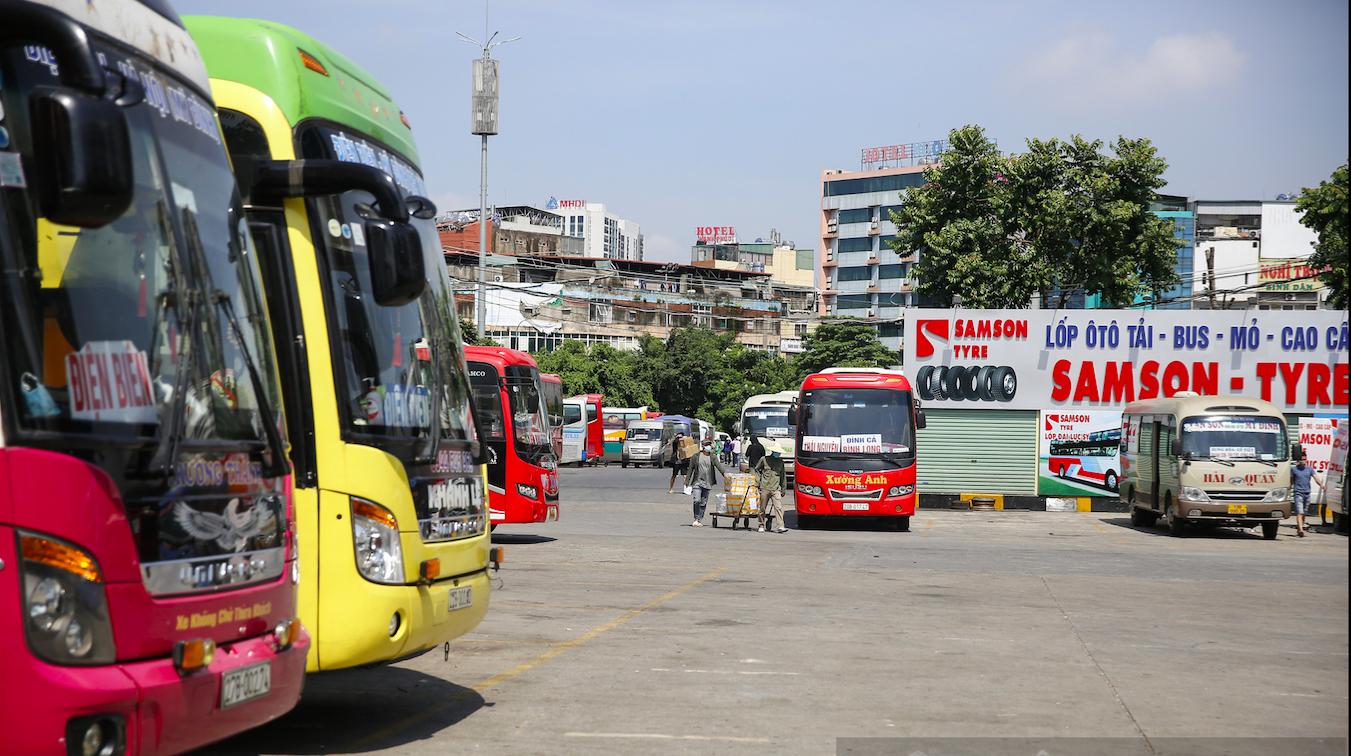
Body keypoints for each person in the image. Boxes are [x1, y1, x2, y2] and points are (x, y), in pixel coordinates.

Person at [684, 439, 727, 526]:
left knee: (703, 502)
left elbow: (718, 465)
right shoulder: (696, 456)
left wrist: (725, 474)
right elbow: (691, 469)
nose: (708, 446)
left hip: (708, 482)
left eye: (709, 445)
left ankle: (699, 519)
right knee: (697, 500)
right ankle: (696, 518)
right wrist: (687, 481)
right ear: (703, 446)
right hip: (697, 482)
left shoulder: (712, 457)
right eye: (707, 445)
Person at [753, 449, 788, 533]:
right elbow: (757, 470)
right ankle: (761, 525)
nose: (778, 454)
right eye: (776, 452)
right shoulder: (764, 459)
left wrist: (783, 489)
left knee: (778, 507)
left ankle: (780, 526)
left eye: (779, 453)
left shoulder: (780, 462)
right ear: (772, 452)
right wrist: (757, 482)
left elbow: (783, 476)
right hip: (765, 487)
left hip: (776, 488)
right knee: (762, 508)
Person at [1291, 453, 1325, 538]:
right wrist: (1288, 490)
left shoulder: (1309, 469)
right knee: (1300, 512)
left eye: (1304, 459)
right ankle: (1301, 530)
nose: (1303, 461)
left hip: (1307, 493)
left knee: (1304, 513)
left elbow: (1315, 477)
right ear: (1298, 461)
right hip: (1298, 493)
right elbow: (1290, 481)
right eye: (1301, 460)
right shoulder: (1294, 469)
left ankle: (1299, 528)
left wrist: (1321, 485)